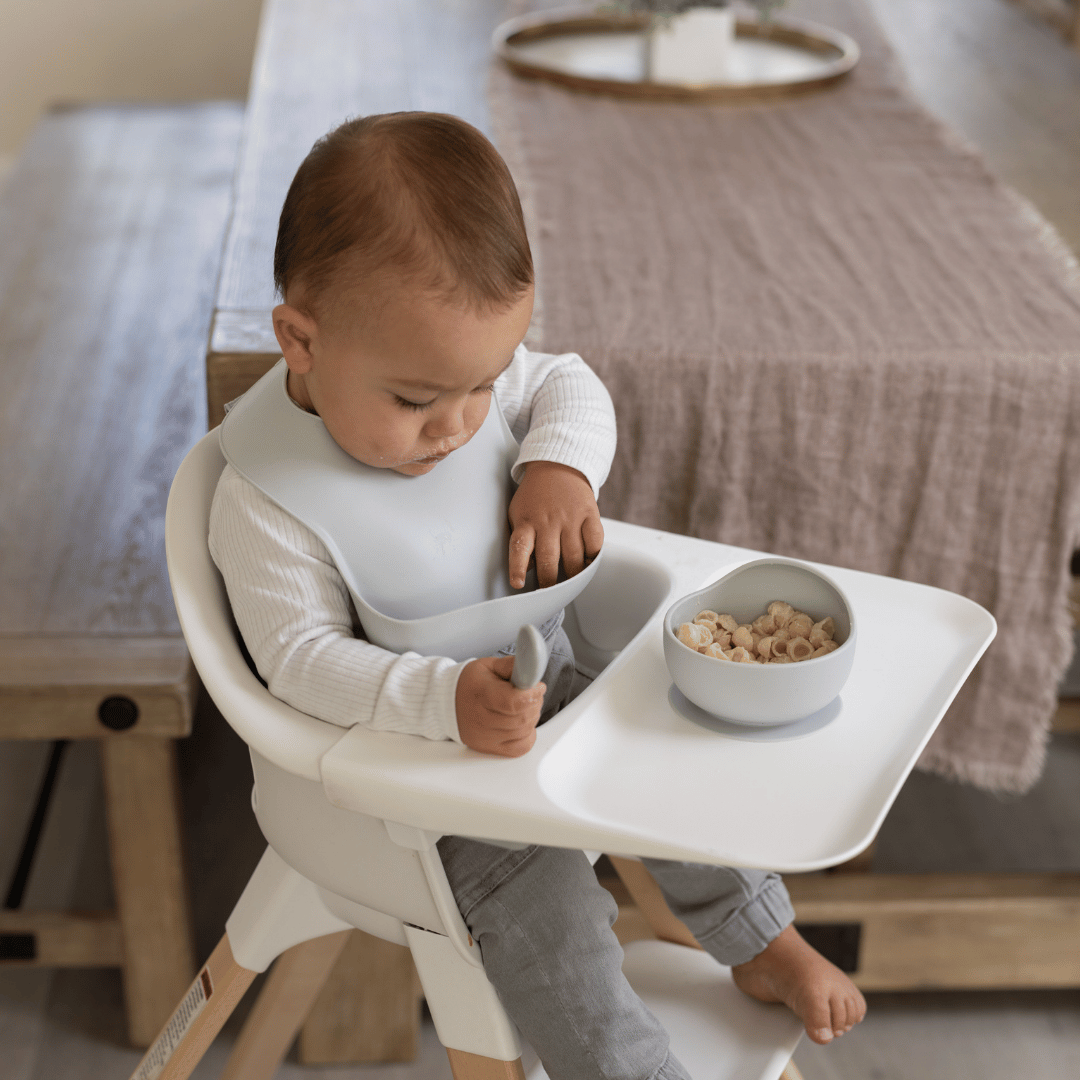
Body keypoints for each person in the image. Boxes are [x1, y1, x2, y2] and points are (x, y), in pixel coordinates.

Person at [209, 111, 865, 1080]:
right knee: (548, 916)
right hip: (413, 792)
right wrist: (443, 703)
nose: (460, 427)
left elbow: (570, 384)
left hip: (538, 688)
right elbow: (300, 666)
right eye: (417, 401)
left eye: (480, 389)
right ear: (299, 343)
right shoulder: (267, 501)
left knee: (663, 759)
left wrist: (558, 466)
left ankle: (760, 940)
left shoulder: (472, 378)